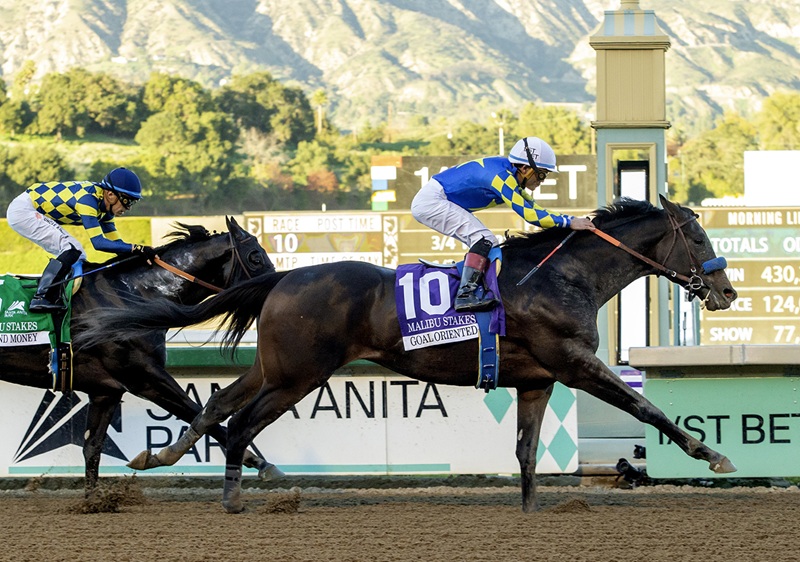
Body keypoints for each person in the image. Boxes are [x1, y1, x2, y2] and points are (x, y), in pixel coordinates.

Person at [411, 136, 595, 312]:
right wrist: (570, 222)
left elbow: (534, 208)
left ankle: (473, 289)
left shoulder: (509, 175)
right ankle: (465, 295)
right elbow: (531, 215)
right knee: (484, 239)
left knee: (486, 242)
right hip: (432, 201)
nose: (542, 180)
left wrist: (571, 219)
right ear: (525, 168)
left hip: (436, 199)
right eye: (541, 174)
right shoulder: (502, 177)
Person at [6, 167, 158, 312]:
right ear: (111, 195)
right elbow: (98, 243)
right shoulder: (88, 200)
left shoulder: (106, 210)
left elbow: (118, 246)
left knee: (78, 254)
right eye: (127, 201)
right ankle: (42, 297)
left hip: (29, 207)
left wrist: (141, 256)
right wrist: (136, 248)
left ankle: (62, 295)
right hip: (24, 210)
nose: (128, 208)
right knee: (72, 249)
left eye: (133, 202)